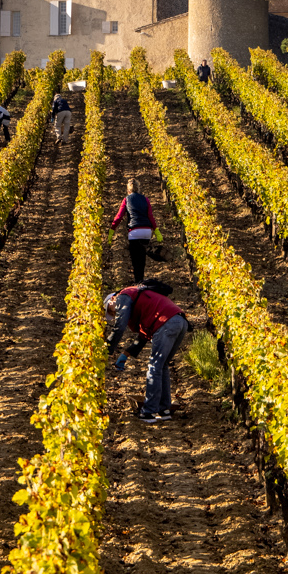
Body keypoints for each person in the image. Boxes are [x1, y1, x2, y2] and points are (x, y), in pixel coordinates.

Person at [104, 284, 188, 423]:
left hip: (166, 322)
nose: (113, 314)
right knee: (162, 365)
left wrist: (107, 349)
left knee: (154, 367)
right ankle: (164, 409)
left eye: (110, 310)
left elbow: (120, 326)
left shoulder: (123, 297)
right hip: (179, 321)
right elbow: (143, 335)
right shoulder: (140, 300)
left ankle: (149, 412)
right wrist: (126, 353)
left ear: (112, 299)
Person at [111, 179, 158, 283]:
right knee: (142, 258)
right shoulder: (145, 200)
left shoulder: (126, 200)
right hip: (146, 232)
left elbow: (119, 217)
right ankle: (140, 280)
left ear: (128, 190)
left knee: (135, 258)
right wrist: (157, 231)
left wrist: (112, 229)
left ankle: (138, 282)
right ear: (139, 189)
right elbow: (150, 216)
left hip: (134, 232)